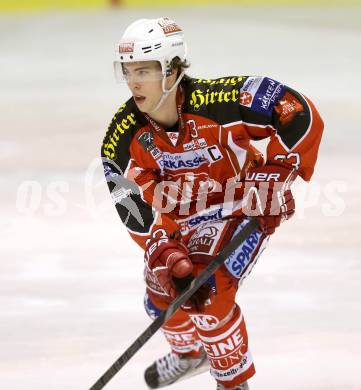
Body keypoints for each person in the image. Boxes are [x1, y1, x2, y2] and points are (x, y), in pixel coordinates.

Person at [101, 17, 324, 390]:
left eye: (145, 70)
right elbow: (137, 217)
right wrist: (163, 250)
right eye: (128, 71)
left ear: (172, 69)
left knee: (210, 290)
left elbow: (298, 112)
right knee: (161, 287)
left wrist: (277, 171)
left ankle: (233, 382)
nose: (134, 82)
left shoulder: (223, 100)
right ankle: (192, 354)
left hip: (241, 207)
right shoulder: (121, 137)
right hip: (183, 216)